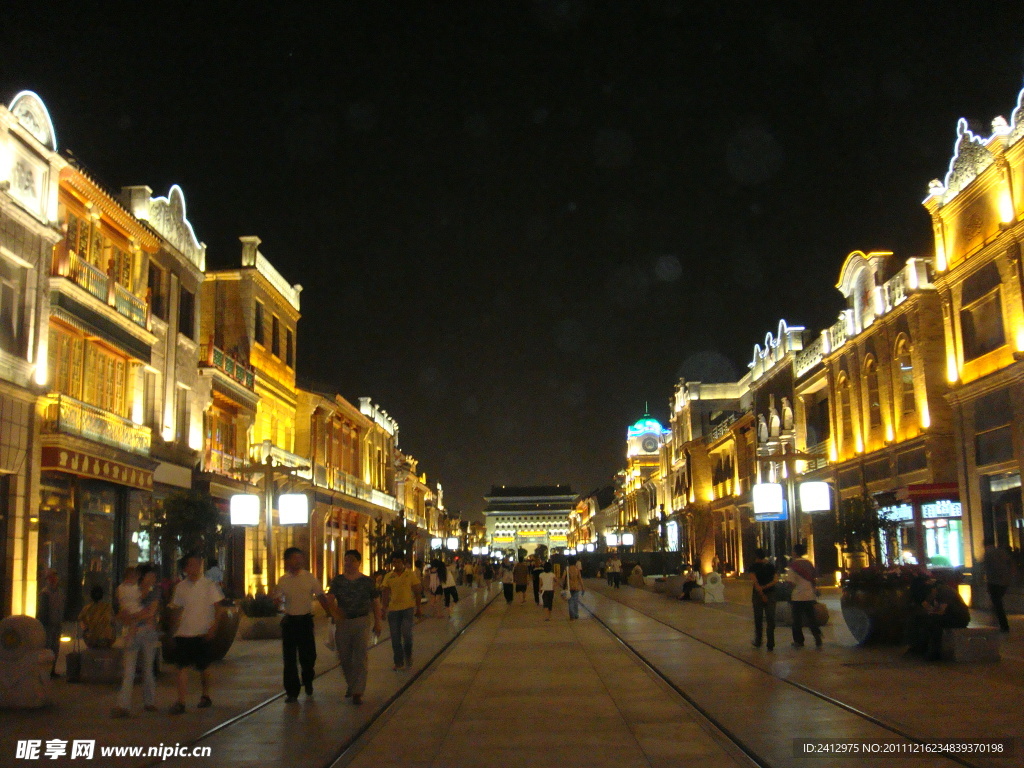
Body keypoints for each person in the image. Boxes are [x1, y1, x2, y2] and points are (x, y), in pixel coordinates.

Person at [168, 553, 225, 714]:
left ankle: (205, 695)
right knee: (182, 667)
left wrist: (213, 627)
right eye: (191, 565)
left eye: (198, 564)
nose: (195, 568)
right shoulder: (180, 587)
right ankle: (181, 701)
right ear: (185, 568)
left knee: (204, 667)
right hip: (184, 633)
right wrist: (174, 629)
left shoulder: (209, 585)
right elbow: (177, 608)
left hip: (202, 632)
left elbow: (218, 608)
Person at [273, 547, 332, 702]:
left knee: (308, 656)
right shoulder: (283, 580)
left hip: (305, 621)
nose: (298, 561)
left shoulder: (310, 578)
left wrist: (330, 613)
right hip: (290, 622)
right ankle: (292, 692)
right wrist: (276, 601)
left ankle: (308, 679)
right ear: (287, 561)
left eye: (300, 558)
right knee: (290, 659)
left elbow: (320, 596)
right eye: (294, 558)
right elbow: (277, 598)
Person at [327, 550, 383, 706]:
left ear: (359, 563)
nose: (348, 563)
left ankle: (358, 691)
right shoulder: (338, 581)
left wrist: (378, 622)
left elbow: (375, 602)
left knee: (360, 656)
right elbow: (329, 599)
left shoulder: (367, 581)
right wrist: (334, 612)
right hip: (343, 622)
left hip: (362, 621)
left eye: (352, 560)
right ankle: (352, 685)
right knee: (344, 657)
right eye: (346, 560)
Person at [112, 564, 160, 717]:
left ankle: (149, 701)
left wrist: (132, 620)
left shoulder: (153, 592)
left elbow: (150, 613)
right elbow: (120, 614)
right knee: (129, 669)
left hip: (145, 633)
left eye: (154, 576)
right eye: (149, 576)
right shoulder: (130, 590)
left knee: (147, 668)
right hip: (134, 633)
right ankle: (123, 705)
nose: (152, 579)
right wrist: (134, 619)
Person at [381, 552, 422, 670]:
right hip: (393, 610)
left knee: (407, 634)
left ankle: (408, 655)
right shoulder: (389, 576)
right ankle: (398, 662)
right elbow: (385, 594)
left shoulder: (410, 574)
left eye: (398, 561)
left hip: (407, 608)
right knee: (395, 637)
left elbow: (417, 591)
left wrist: (418, 608)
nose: (396, 564)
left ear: (403, 562)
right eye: (394, 562)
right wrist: (383, 609)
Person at [786, 543, 822, 648]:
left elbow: (791, 583)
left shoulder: (793, 566)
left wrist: (788, 593)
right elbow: (814, 578)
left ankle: (799, 641)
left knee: (797, 620)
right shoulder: (809, 564)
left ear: (795, 552)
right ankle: (817, 636)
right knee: (811, 618)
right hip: (809, 595)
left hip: (798, 597)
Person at [748, 548, 778, 651]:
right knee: (770, 618)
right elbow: (775, 580)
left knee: (758, 618)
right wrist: (766, 588)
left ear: (756, 556)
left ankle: (758, 640)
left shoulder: (753, 567)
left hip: (758, 596)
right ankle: (771, 642)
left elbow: (755, 583)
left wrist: (762, 593)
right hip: (771, 594)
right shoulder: (771, 566)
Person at [38, 569, 64, 677]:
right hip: (49, 625)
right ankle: (47, 671)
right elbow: (43, 611)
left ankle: (52, 670)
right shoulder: (45, 593)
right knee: (48, 647)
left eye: (54, 576)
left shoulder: (59, 592)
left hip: (57, 623)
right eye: (51, 577)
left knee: (55, 648)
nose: (53, 579)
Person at [982, 538, 1012, 633]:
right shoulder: (1001, 552)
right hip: (1004, 581)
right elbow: (1009, 563)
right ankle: (998, 622)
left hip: (994, 582)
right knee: (997, 602)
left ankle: (1003, 625)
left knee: (997, 603)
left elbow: (986, 568)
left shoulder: (988, 554)